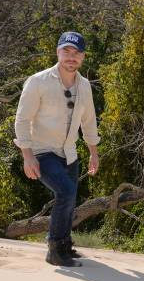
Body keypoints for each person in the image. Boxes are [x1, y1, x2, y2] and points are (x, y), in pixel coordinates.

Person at [13, 31, 100, 267]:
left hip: (69, 152)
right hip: (42, 151)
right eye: (67, 52)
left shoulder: (84, 86)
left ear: (82, 57)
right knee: (65, 192)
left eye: (76, 53)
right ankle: (54, 248)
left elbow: (89, 121)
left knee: (70, 197)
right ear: (58, 52)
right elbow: (22, 120)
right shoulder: (38, 81)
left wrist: (93, 153)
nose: (71, 57)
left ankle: (64, 245)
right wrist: (27, 156)